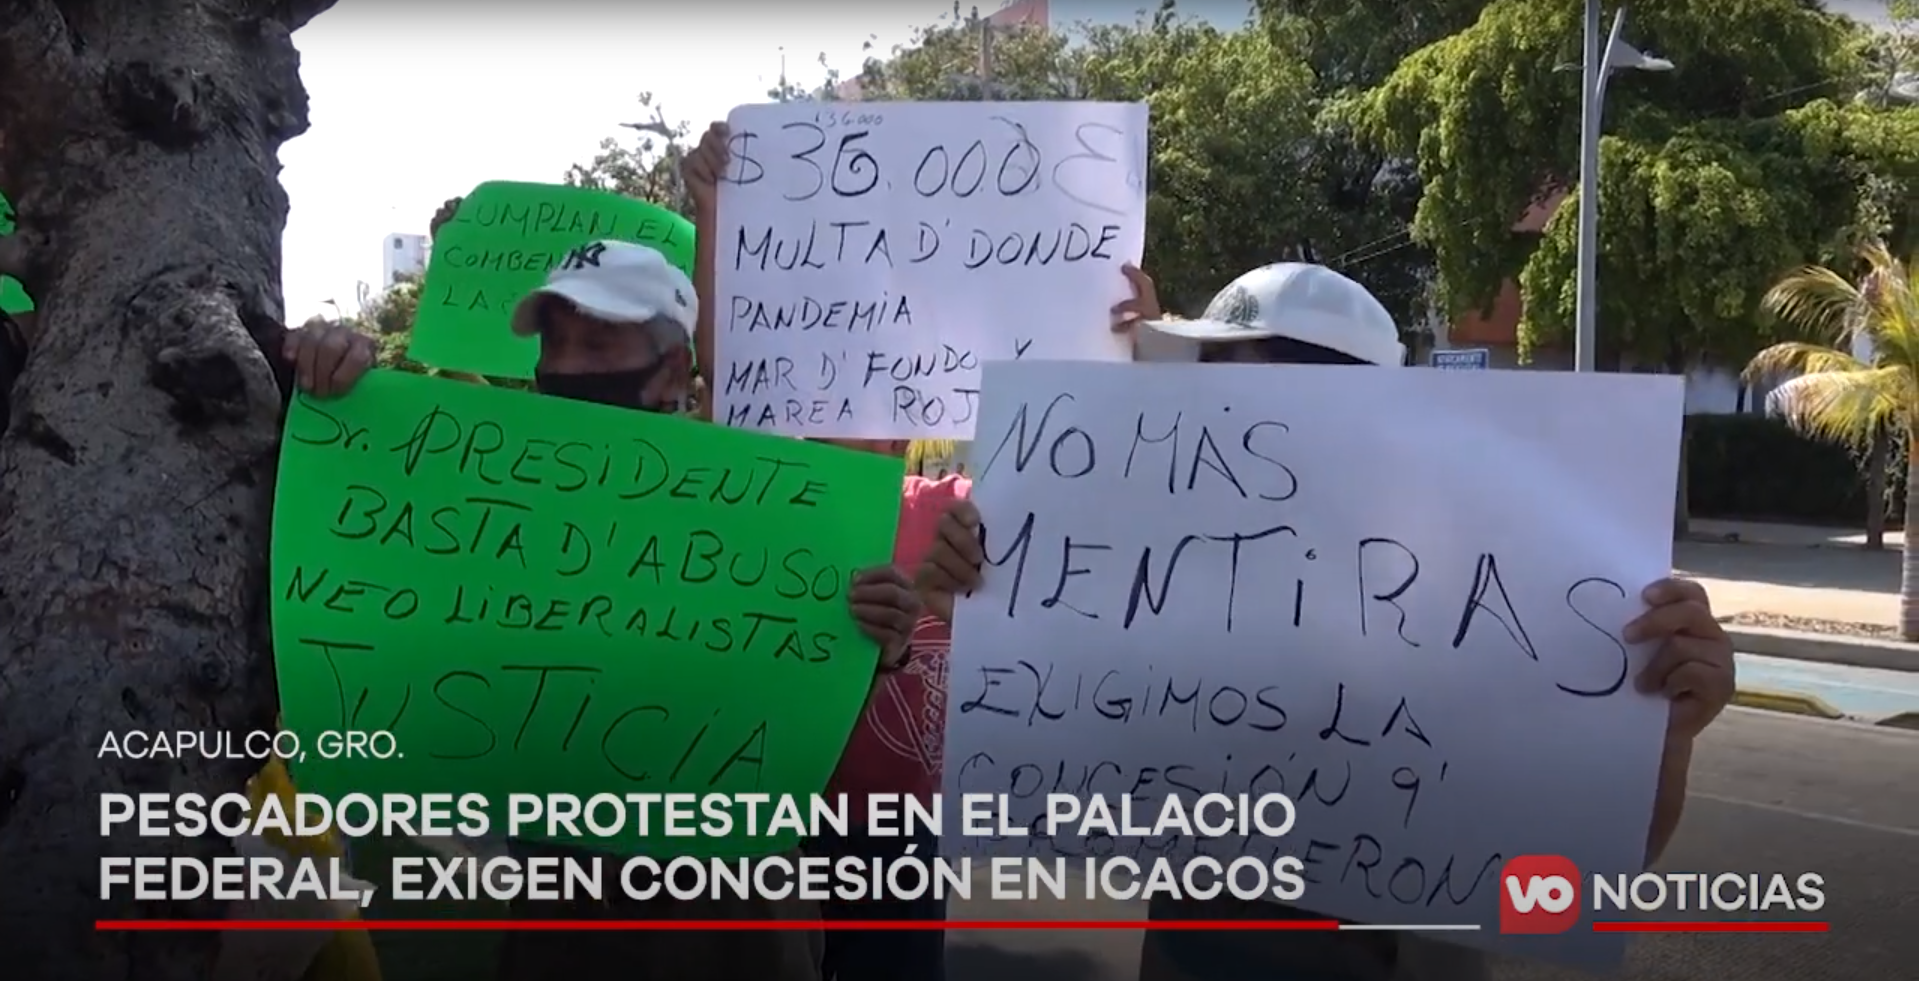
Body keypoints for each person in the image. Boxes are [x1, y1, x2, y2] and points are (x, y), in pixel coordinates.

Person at [911, 262, 1738, 981]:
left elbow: (1585, 864)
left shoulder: (1488, 588)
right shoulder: (1165, 574)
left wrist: (1662, 736)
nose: (1224, 423)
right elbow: (1050, 753)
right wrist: (992, 614)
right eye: (1214, 387)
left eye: (1250, 389)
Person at [281, 237, 922, 981]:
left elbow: (809, 715)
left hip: (735, 924)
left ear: (672, 369)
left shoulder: (780, 501)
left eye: (596, 344)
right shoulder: (495, 491)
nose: (566, 367)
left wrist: (879, 643)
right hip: (560, 917)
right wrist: (329, 370)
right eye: (555, 345)